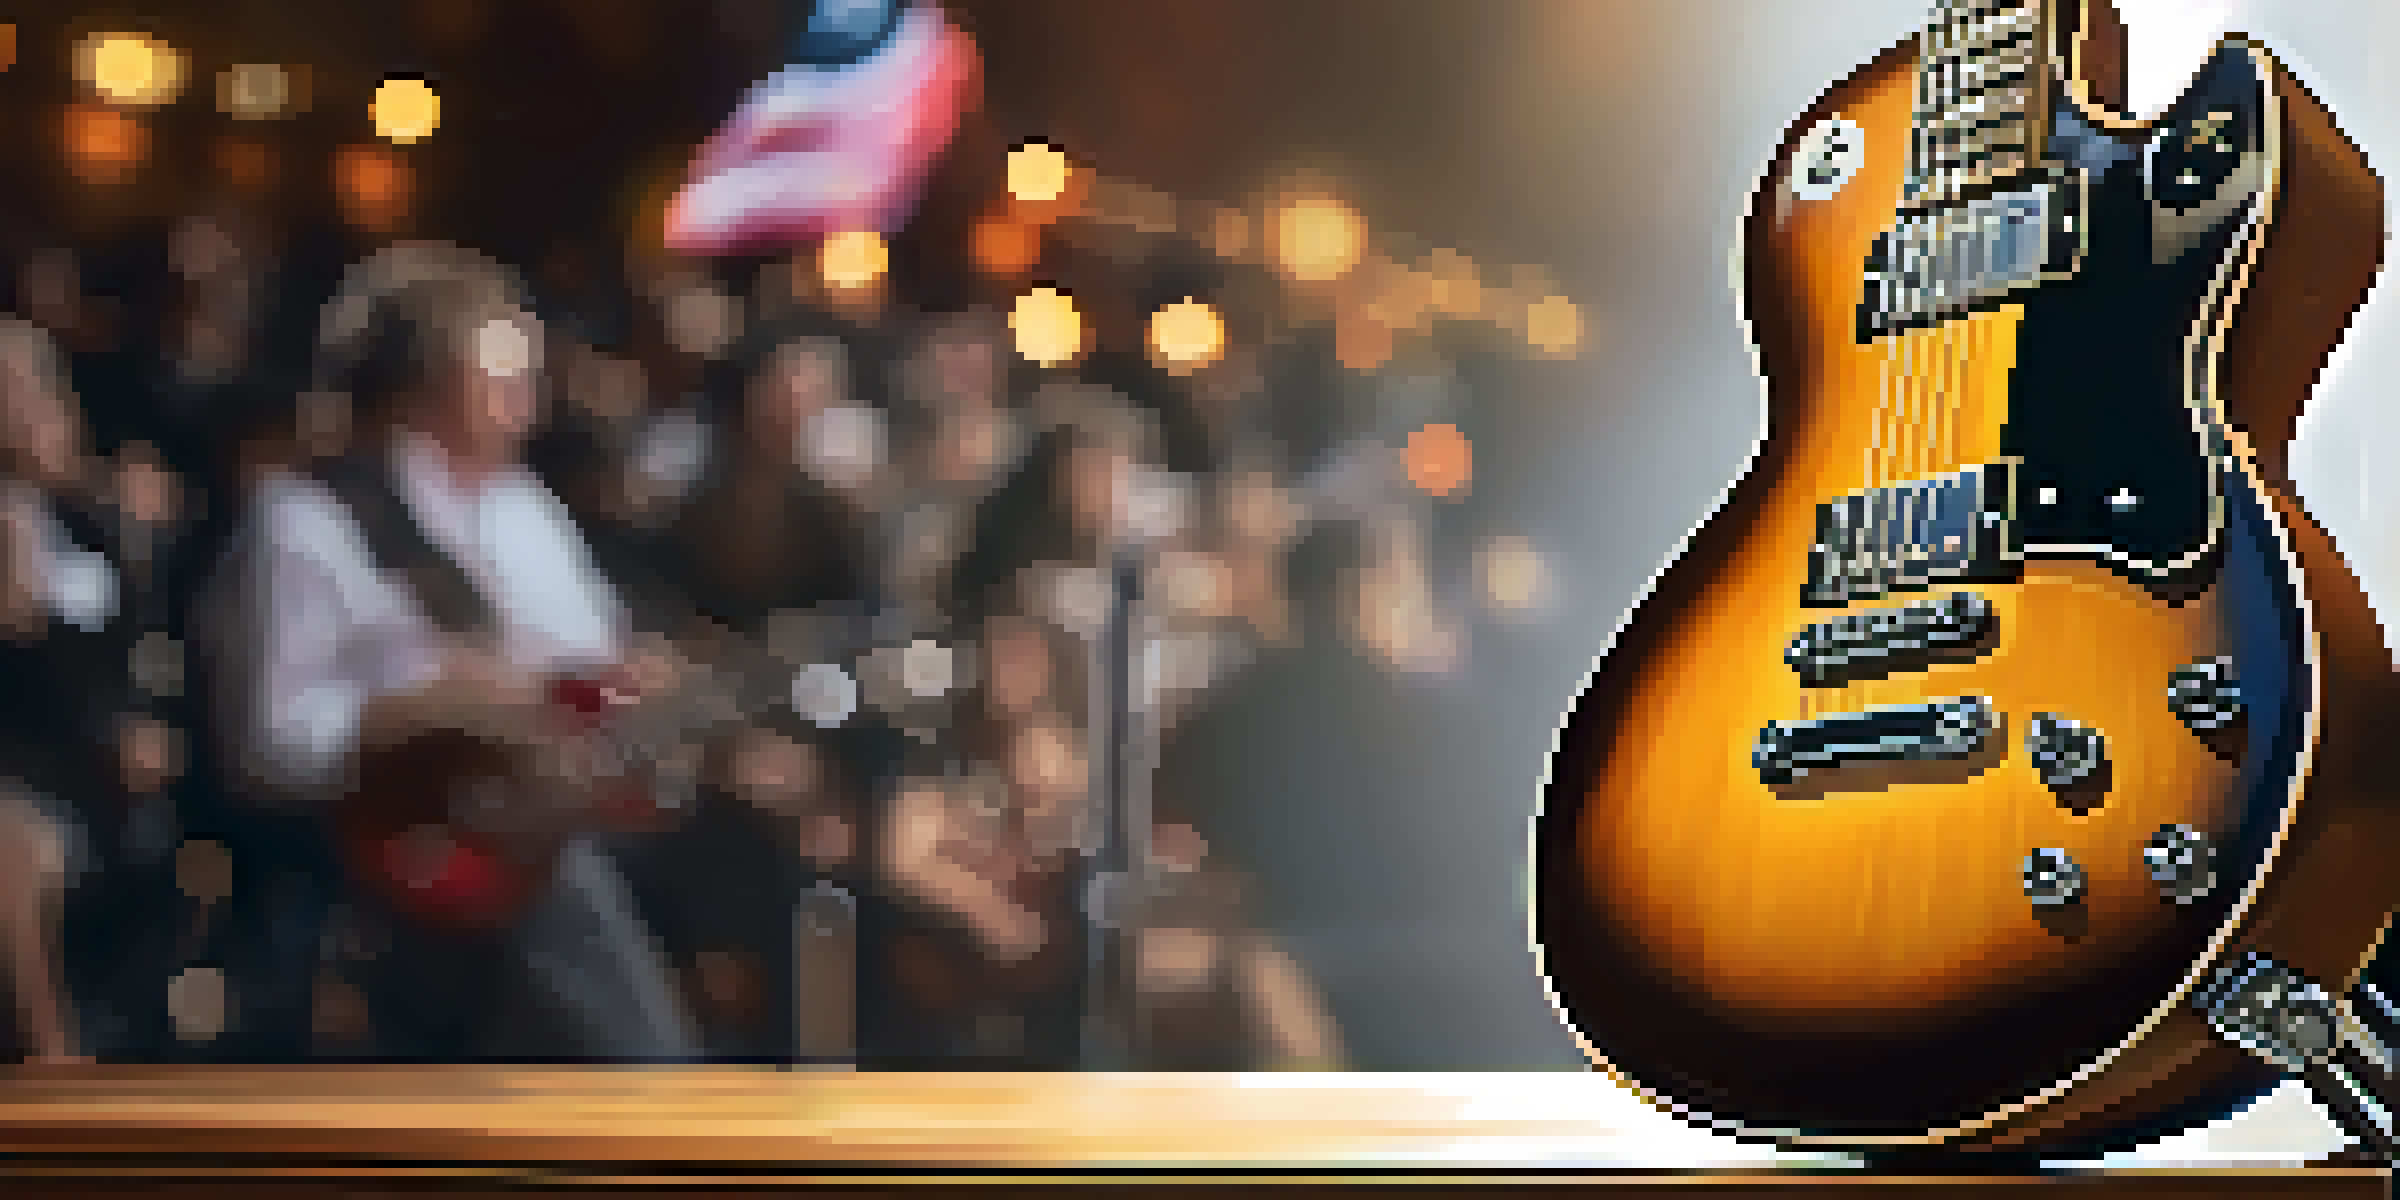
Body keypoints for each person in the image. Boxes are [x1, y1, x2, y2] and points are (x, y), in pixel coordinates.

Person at [215, 241, 702, 1060]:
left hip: (555, 824)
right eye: (503, 377)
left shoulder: (523, 507)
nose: (529, 404)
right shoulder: (307, 520)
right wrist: (430, 721)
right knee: (564, 905)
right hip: (397, 863)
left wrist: (632, 688)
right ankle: (664, 1106)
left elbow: (591, 662)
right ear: (419, 384)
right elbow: (268, 747)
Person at [0, 317, 185, 1063]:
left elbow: (141, 644)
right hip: (25, 768)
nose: (37, 411)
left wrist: (138, 722)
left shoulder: (92, 522)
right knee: (15, 843)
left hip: (105, 768)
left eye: (43, 389)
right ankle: (51, 1064)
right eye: (13, 395)